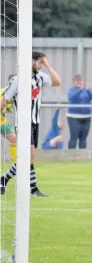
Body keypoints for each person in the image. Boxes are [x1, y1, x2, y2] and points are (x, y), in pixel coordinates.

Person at [0, 51, 61, 197]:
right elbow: (4, 99)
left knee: (30, 157)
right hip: (22, 122)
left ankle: (5, 179)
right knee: (29, 155)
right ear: (32, 62)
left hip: (35, 122)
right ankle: (31, 188)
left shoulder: (40, 77)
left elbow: (57, 82)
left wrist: (48, 65)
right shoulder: (18, 80)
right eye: (40, 62)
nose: (41, 65)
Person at [66, 75, 92, 149]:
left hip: (86, 117)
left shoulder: (87, 89)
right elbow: (71, 98)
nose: (79, 83)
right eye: (77, 82)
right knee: (74, 137)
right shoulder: (71, 90)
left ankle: (82, 156)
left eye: (81, 82)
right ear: (74, 82)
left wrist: (88, 90)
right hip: (73, 117)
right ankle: (71, 155)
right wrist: (80, 90)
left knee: (83, 138)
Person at [0, 75, 18, 166]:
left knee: (14, 140)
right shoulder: (11, 91)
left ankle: (17, 162)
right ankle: (17, 163)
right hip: (1, 122)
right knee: (15, 141)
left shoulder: (3, 90)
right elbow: (2, 103)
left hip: (2, 121)